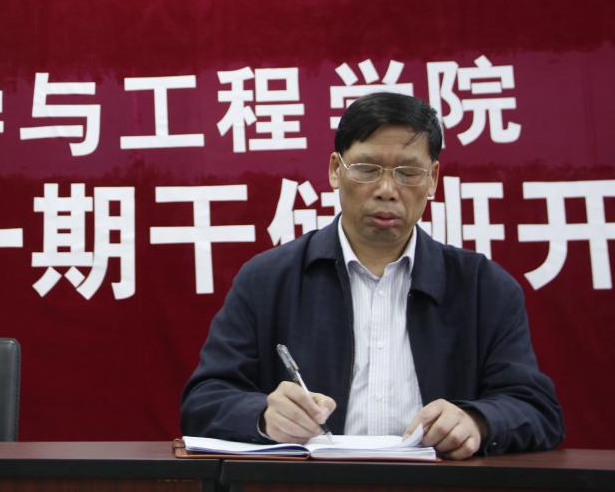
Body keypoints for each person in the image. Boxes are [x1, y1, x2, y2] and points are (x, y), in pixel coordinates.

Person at [180, 92, 563, 459]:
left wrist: (478, 421)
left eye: (408, 172)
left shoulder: (483, 287)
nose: (386, 190)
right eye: (367, 169)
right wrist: (263, 415)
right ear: (336, 170)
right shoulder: (268, 280)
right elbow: (204, 400)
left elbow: (535, 408)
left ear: (433, 179)